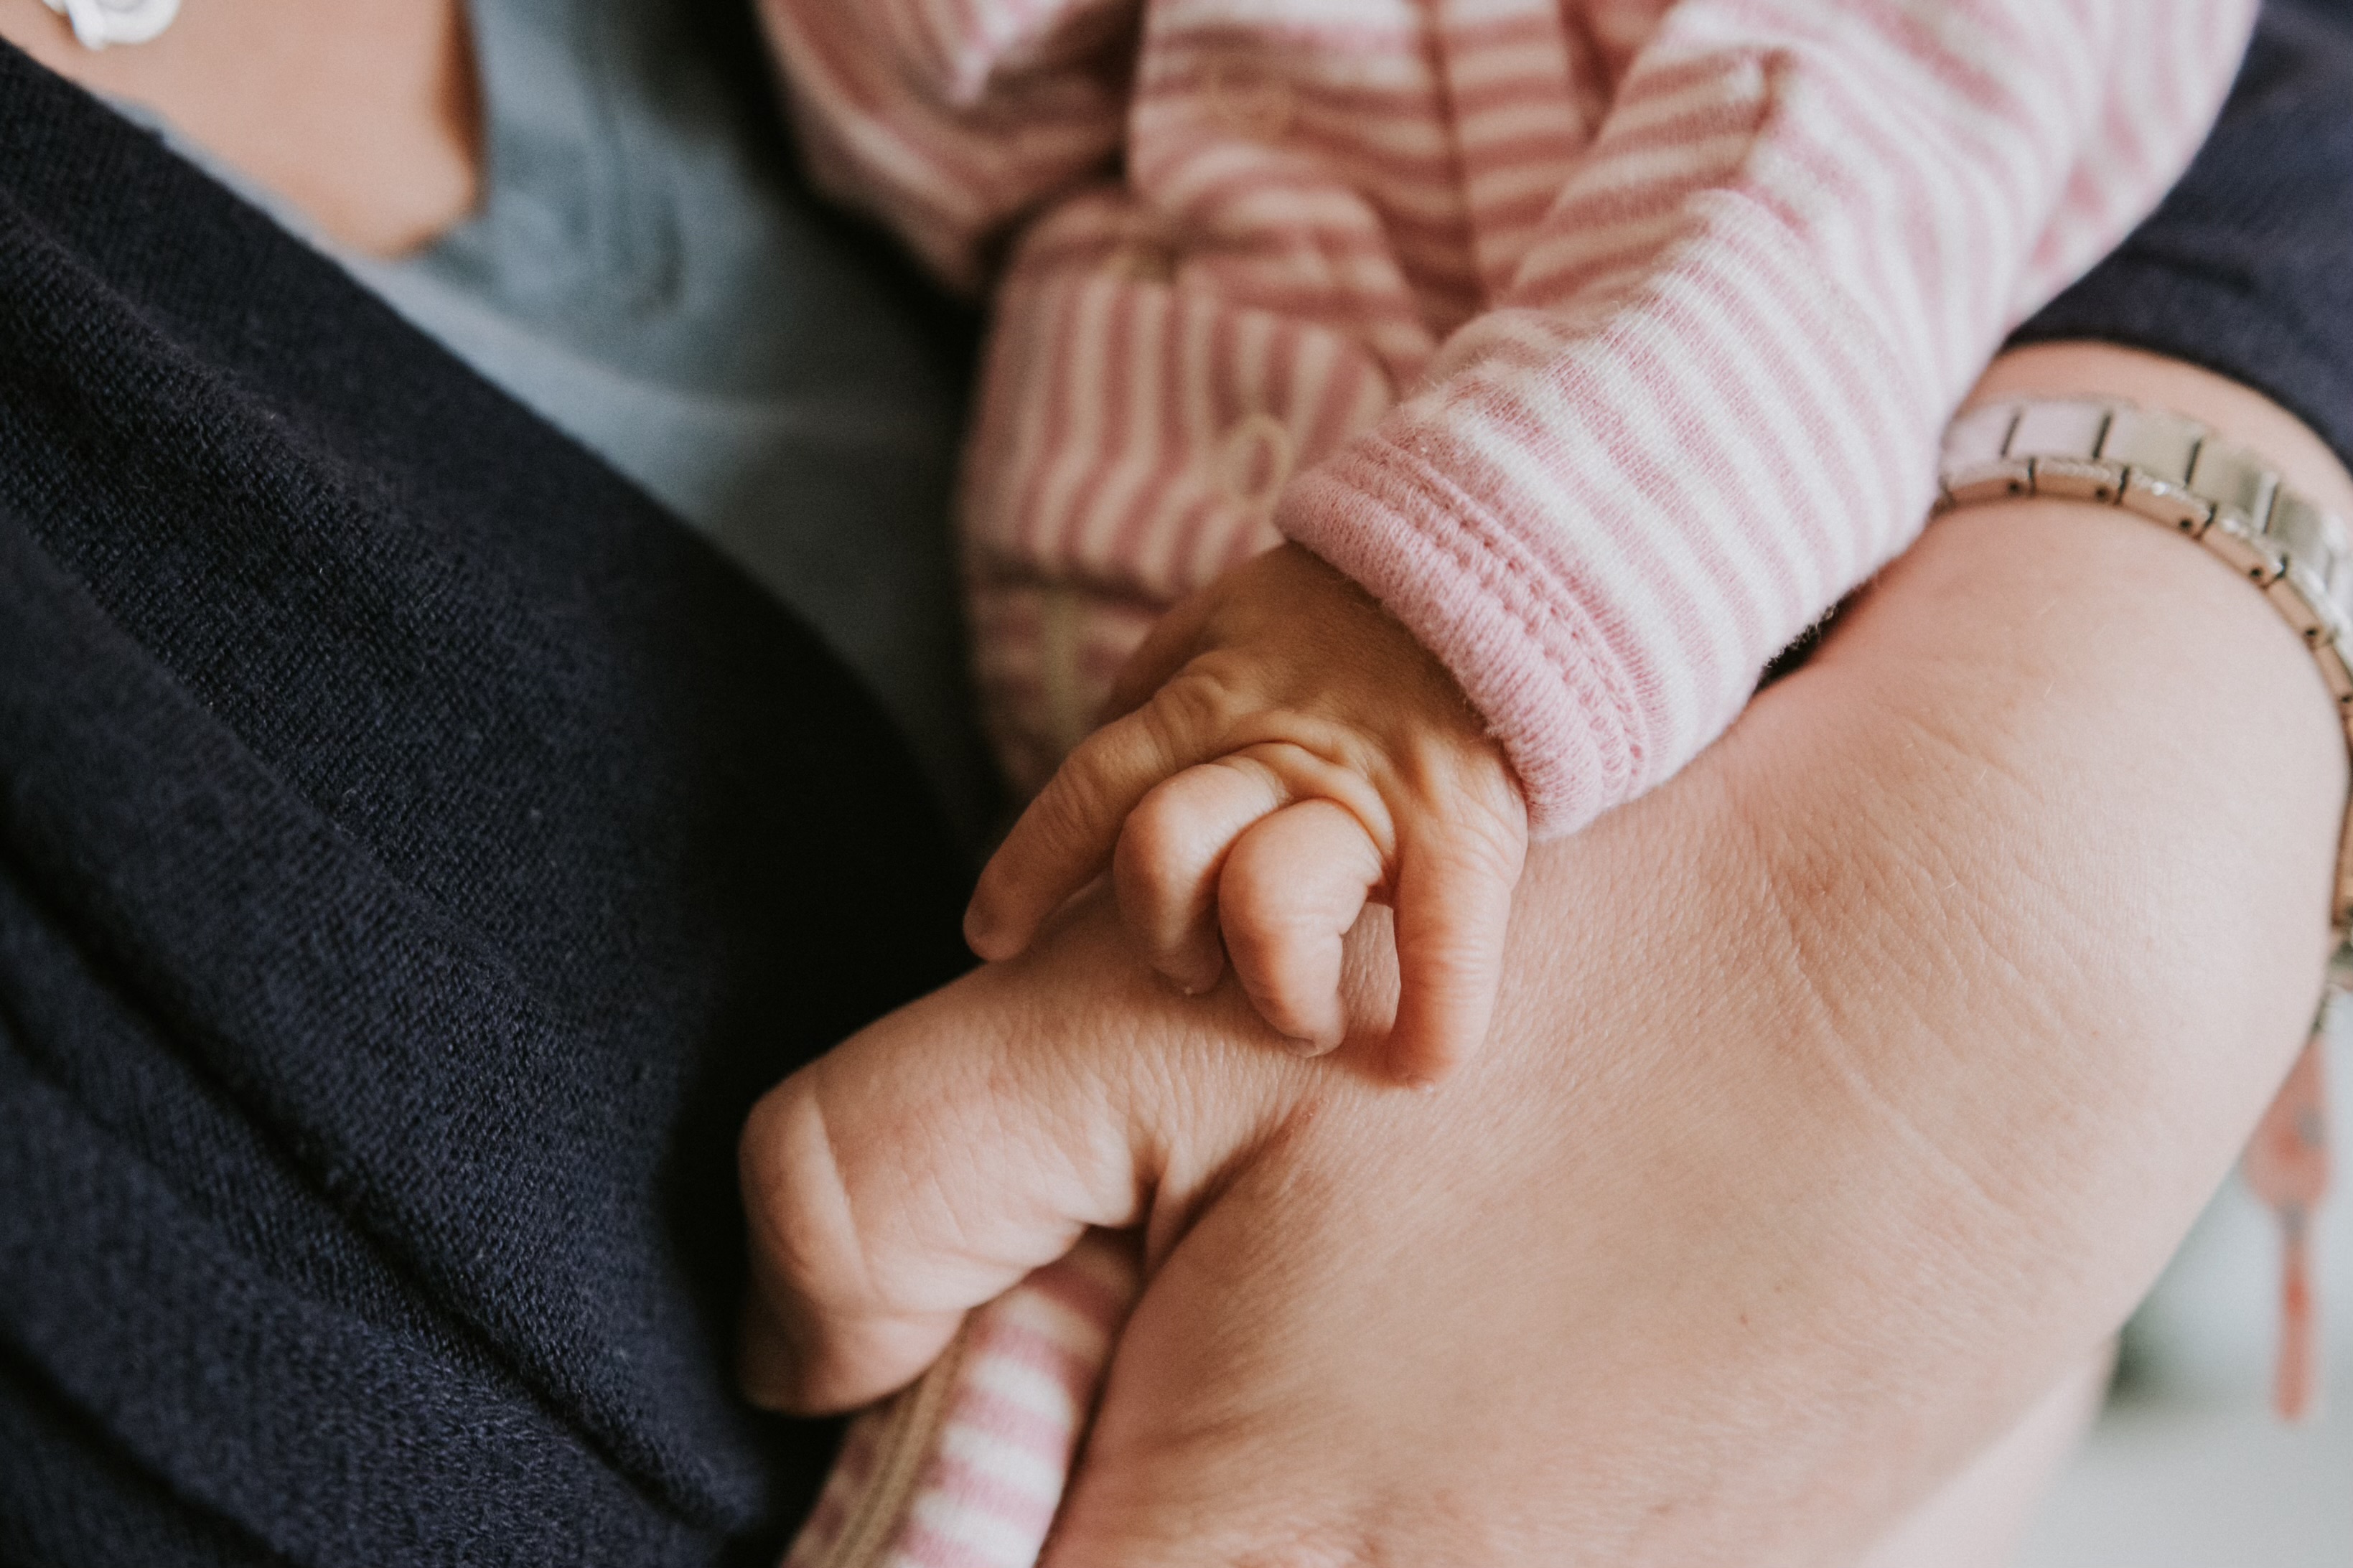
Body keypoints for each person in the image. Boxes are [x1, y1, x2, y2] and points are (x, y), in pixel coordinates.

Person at [0, 6, 2346, 1568]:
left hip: (1544, 694)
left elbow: (1929, 160)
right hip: (1189, 706)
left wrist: (1423, 657)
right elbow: (956, 100)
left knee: (1102, 1192)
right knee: (1074, 1371)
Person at [762, 0, 2255, 1082]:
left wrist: (1428, 640)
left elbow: (1854, 171)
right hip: (1107, 695)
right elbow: (949, 140)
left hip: (1537, 722)